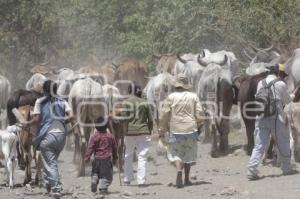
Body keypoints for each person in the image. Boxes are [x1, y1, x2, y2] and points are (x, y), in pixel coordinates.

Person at [247, 64, 300, 180]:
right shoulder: (280, 84)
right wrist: (295, 92)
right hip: (276, 119)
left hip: (261, 117)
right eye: (283, 75)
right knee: (283, 142)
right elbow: (287, 100)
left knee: (259, 144)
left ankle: (251, 170)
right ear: (279, 73)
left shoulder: (261, 83)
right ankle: (287, 168)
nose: (283, 78)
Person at [24, 80, 74, 198]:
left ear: (44, 90)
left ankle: (56, 189)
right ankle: (48, 185)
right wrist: (63, 121)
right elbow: (72, 116)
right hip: (61, 136)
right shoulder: (63, 101)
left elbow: (36, 119)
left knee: (50, 163)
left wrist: (27, 123)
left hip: (47, 136)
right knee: (50, 161)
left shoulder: (40, 102)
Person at [159, 73, 205, 188]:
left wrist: (162, 129)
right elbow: (200, 113)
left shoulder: (171, 97)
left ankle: (179, 170)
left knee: (175, 152)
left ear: (176, 85)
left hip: (175, 130)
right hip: (191, 128)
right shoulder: (193, 96)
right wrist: (199, 125)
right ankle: (187, 179)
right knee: (189, 153)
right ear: (186, 85)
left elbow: (164, 115)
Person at [122, 81, 153, 186]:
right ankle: (141, 181)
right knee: (142, 156)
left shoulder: (126, 102)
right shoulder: (145, 102)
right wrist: (149, 130)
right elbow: (151, 120)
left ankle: (127, 179)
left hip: (129, 132)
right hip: (143, 132)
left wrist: (125, 131)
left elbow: (124, 120)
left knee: (128, 155)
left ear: (130, 90)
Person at [85, 116, 118, 194]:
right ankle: (103, 188)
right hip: (106, 160)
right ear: (107, 126)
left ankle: (94, 179)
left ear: (96, 127)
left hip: (96, 159)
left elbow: (90, 147)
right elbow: (114, 148)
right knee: (106, 175)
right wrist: (115, 158)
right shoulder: (110, 136)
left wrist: (87, 157)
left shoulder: (94, 137)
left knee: (95, 172)